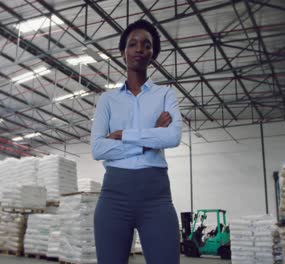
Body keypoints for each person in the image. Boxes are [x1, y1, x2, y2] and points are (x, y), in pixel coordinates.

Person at [91, 19, 182, 264]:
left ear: (153, 54)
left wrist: (123, 135)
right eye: (132, 44)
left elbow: (173, 137)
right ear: (123, 52)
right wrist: (151, 136)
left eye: (146, 45)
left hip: (156, 196)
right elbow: (98, 148)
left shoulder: (165, 94)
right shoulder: (107, 100)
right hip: (113, 197)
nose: (139, 49)